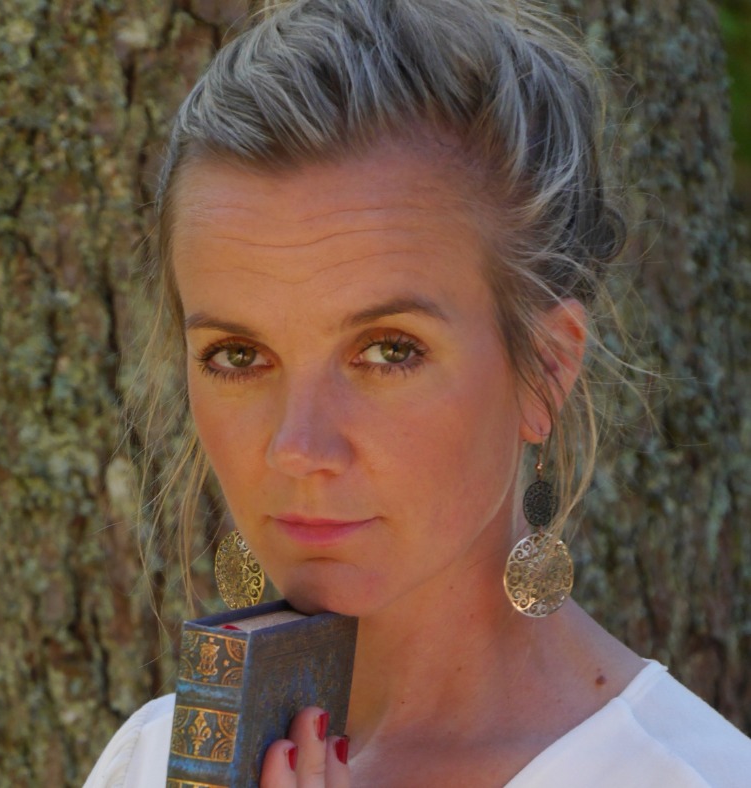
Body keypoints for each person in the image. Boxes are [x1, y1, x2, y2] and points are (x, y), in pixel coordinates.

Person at [84, 0, 751, 785]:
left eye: (387, 350)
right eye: (238, 355)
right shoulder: (152, 758)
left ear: (545, 368)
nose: (297, 447)